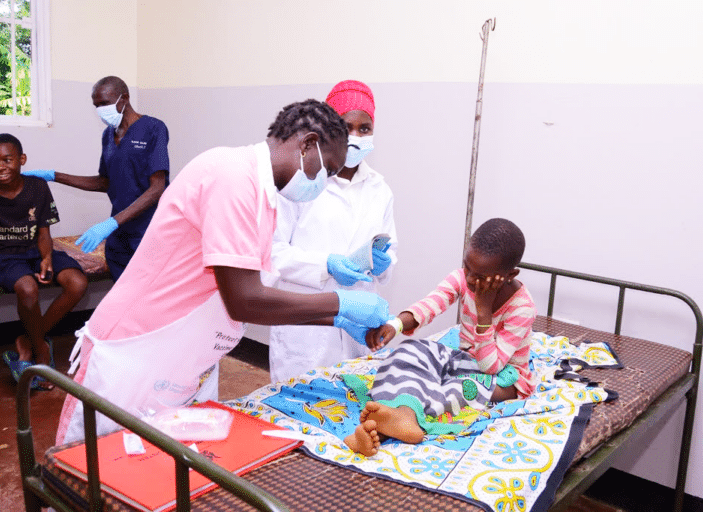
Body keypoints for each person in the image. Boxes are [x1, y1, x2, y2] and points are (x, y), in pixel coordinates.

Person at [56, 99, 391, 444]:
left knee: (163, 480)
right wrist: (339, 304)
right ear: (307, 144)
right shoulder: (232, 176)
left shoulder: (264, 195)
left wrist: (334, 319)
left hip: (184, 356)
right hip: (137, 352)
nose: (324, 182)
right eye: (328, 171)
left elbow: (256, 292)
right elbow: (244, 300)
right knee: (93, 474)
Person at [345, 218, 536, 456]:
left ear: (509, 275)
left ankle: (389, 425)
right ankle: (392, 418)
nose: (469, 280)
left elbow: (491, 367)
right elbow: (431, 304)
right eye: (467, 268)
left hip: (505, 377)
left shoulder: (522, 307)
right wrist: (395, 325)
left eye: (480, 276)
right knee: (410, 351)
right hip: (465, 359)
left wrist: (484, 311)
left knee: (460, 389)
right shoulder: (465, 278)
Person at [267, 80, 397, 382]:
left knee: (351, 416)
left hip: (357, 332)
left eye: (364, 129)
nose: (355, 136)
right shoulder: (300, 181)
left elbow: (390, 258)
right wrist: (326, 265)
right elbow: (270, 253)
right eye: (346, 126)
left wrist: (383, 265)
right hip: (306, 331)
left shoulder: (380, 190)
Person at [24, 76, 169, 280]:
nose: (100, 109)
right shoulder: (108, 136)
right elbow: (104, 182)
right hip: (120, 234)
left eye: (104, 103)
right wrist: (54, 175)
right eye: (96, 105)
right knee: (121, 294)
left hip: (148, 229)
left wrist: (111, 223)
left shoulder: (154, 128)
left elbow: (158, 187)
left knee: (150, 295)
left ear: (124, 98)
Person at [0, 133, 88, 391]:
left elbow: (43, 231)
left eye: (7, 160)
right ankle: (42, 354)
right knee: (27, 288)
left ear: (22, 159)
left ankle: (29, 340)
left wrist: (46, 257)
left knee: (77, 282)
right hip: (3, 254)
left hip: (35, 250)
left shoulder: (37, 187)